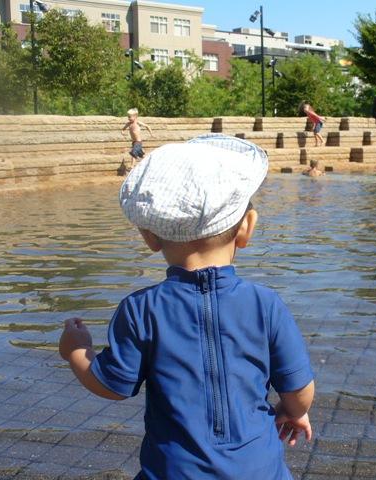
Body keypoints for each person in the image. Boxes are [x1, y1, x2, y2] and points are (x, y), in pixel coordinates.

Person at [59, 134, 316, 480]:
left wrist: (77, 352)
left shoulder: (140, 310)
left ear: (149, 236)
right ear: (247, 228)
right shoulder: (267, 305)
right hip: (260, 471)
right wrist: (292, 410)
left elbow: (112, 386)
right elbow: (299, 390)